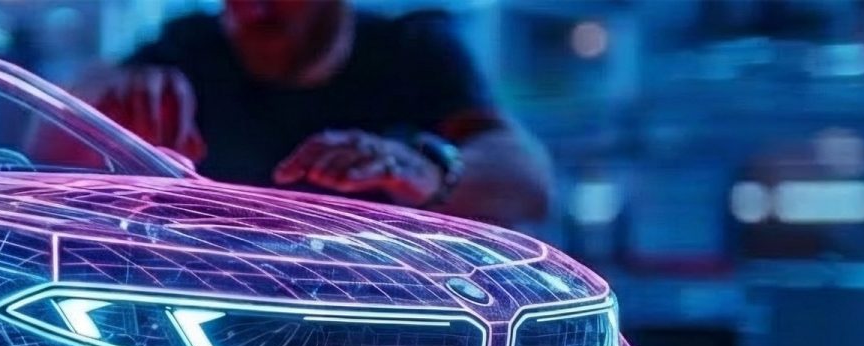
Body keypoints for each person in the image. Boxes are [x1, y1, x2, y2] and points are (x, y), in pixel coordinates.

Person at [79, 0, 552, 227]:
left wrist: (428, 172)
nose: (250, 9)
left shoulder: (412, 50)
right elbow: (51, 142)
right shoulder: (188, 49)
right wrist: (108, 95)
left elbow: (528, 183)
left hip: (384, 325)